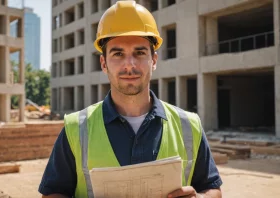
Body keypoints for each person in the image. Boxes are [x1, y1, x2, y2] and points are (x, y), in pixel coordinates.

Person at [39, 1, 222, 198]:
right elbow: (53, 193)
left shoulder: (189, 126)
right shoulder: (76, 129)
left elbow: (212, 188)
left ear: (153, 60)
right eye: (118, 54)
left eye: (140, 52)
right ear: (103, 63)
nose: (129, 64)